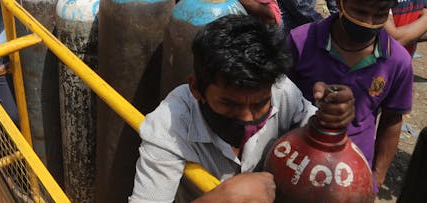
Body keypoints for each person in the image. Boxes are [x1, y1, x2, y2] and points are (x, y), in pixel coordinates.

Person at [129, 14, 355, 203]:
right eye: (229, 104)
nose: (248, 118)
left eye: (259, 104)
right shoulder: (168, 126)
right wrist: (222, 198)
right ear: (196, 88)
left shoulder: (282, 91)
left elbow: (313, 127)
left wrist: (330, 116)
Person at [288, 0, 412, 191]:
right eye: (361, 12)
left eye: (380, 15)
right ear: (340, 3)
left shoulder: (398, 61)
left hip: (353, 171)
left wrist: (376, 178)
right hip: (298, 161)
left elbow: (392, 120)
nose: (369, 23)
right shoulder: (300, 41)